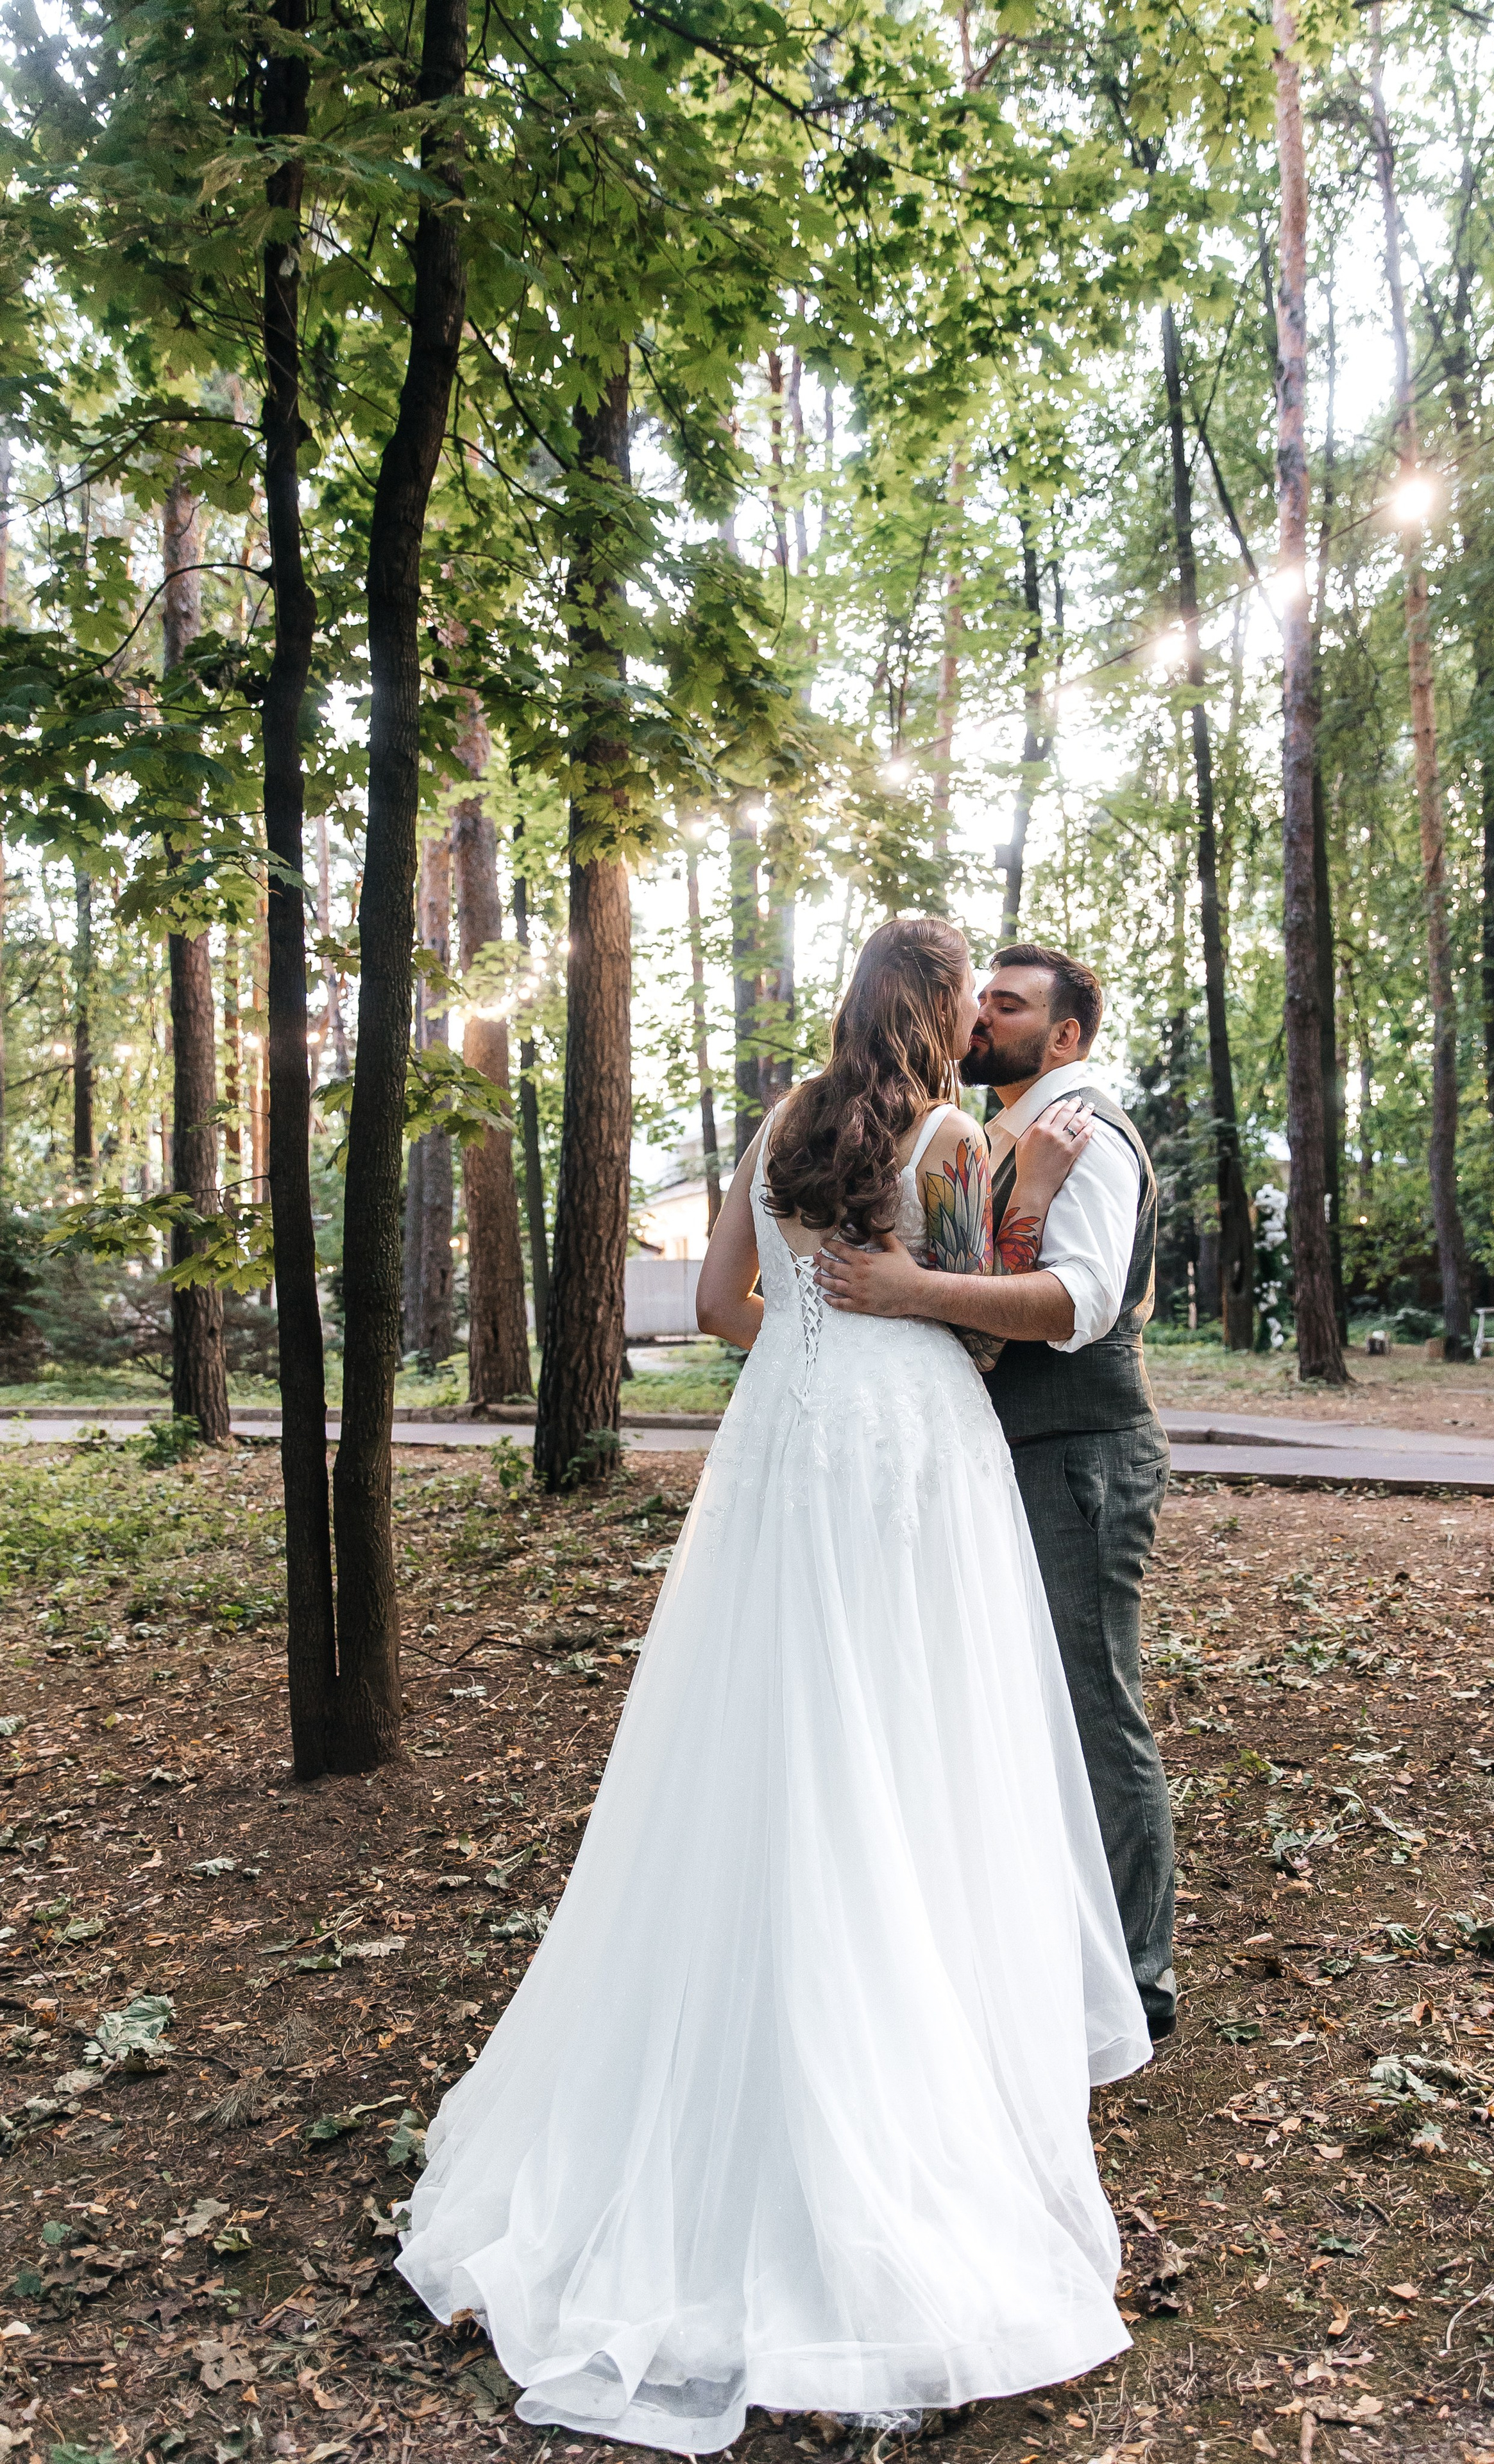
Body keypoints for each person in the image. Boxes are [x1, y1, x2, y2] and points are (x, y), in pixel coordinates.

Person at [396, 918, 1152, 2454]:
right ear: (938, 1016)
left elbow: (716, 1313)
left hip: (786, 1442)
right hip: (916, 1441)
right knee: (912, 1726)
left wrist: (810, 1332)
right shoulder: (954, 1139)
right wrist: (922, 1308)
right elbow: (990, 1324)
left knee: (771, 1713)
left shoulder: (779, 1123)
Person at [814, 944, 1175, 2044]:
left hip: (1077, 1454)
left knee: (1091, 1704)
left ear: (1064, 1037)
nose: (979, 1020)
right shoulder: (1004, 1134)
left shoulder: (1088, 1133)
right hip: (1004, 1454)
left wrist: (912, 1289)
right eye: (977, 1001)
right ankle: (1048, 1957)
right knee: (1024, 1711)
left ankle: (1134, 1985)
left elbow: (1081, 1301)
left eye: (1005, 1007)